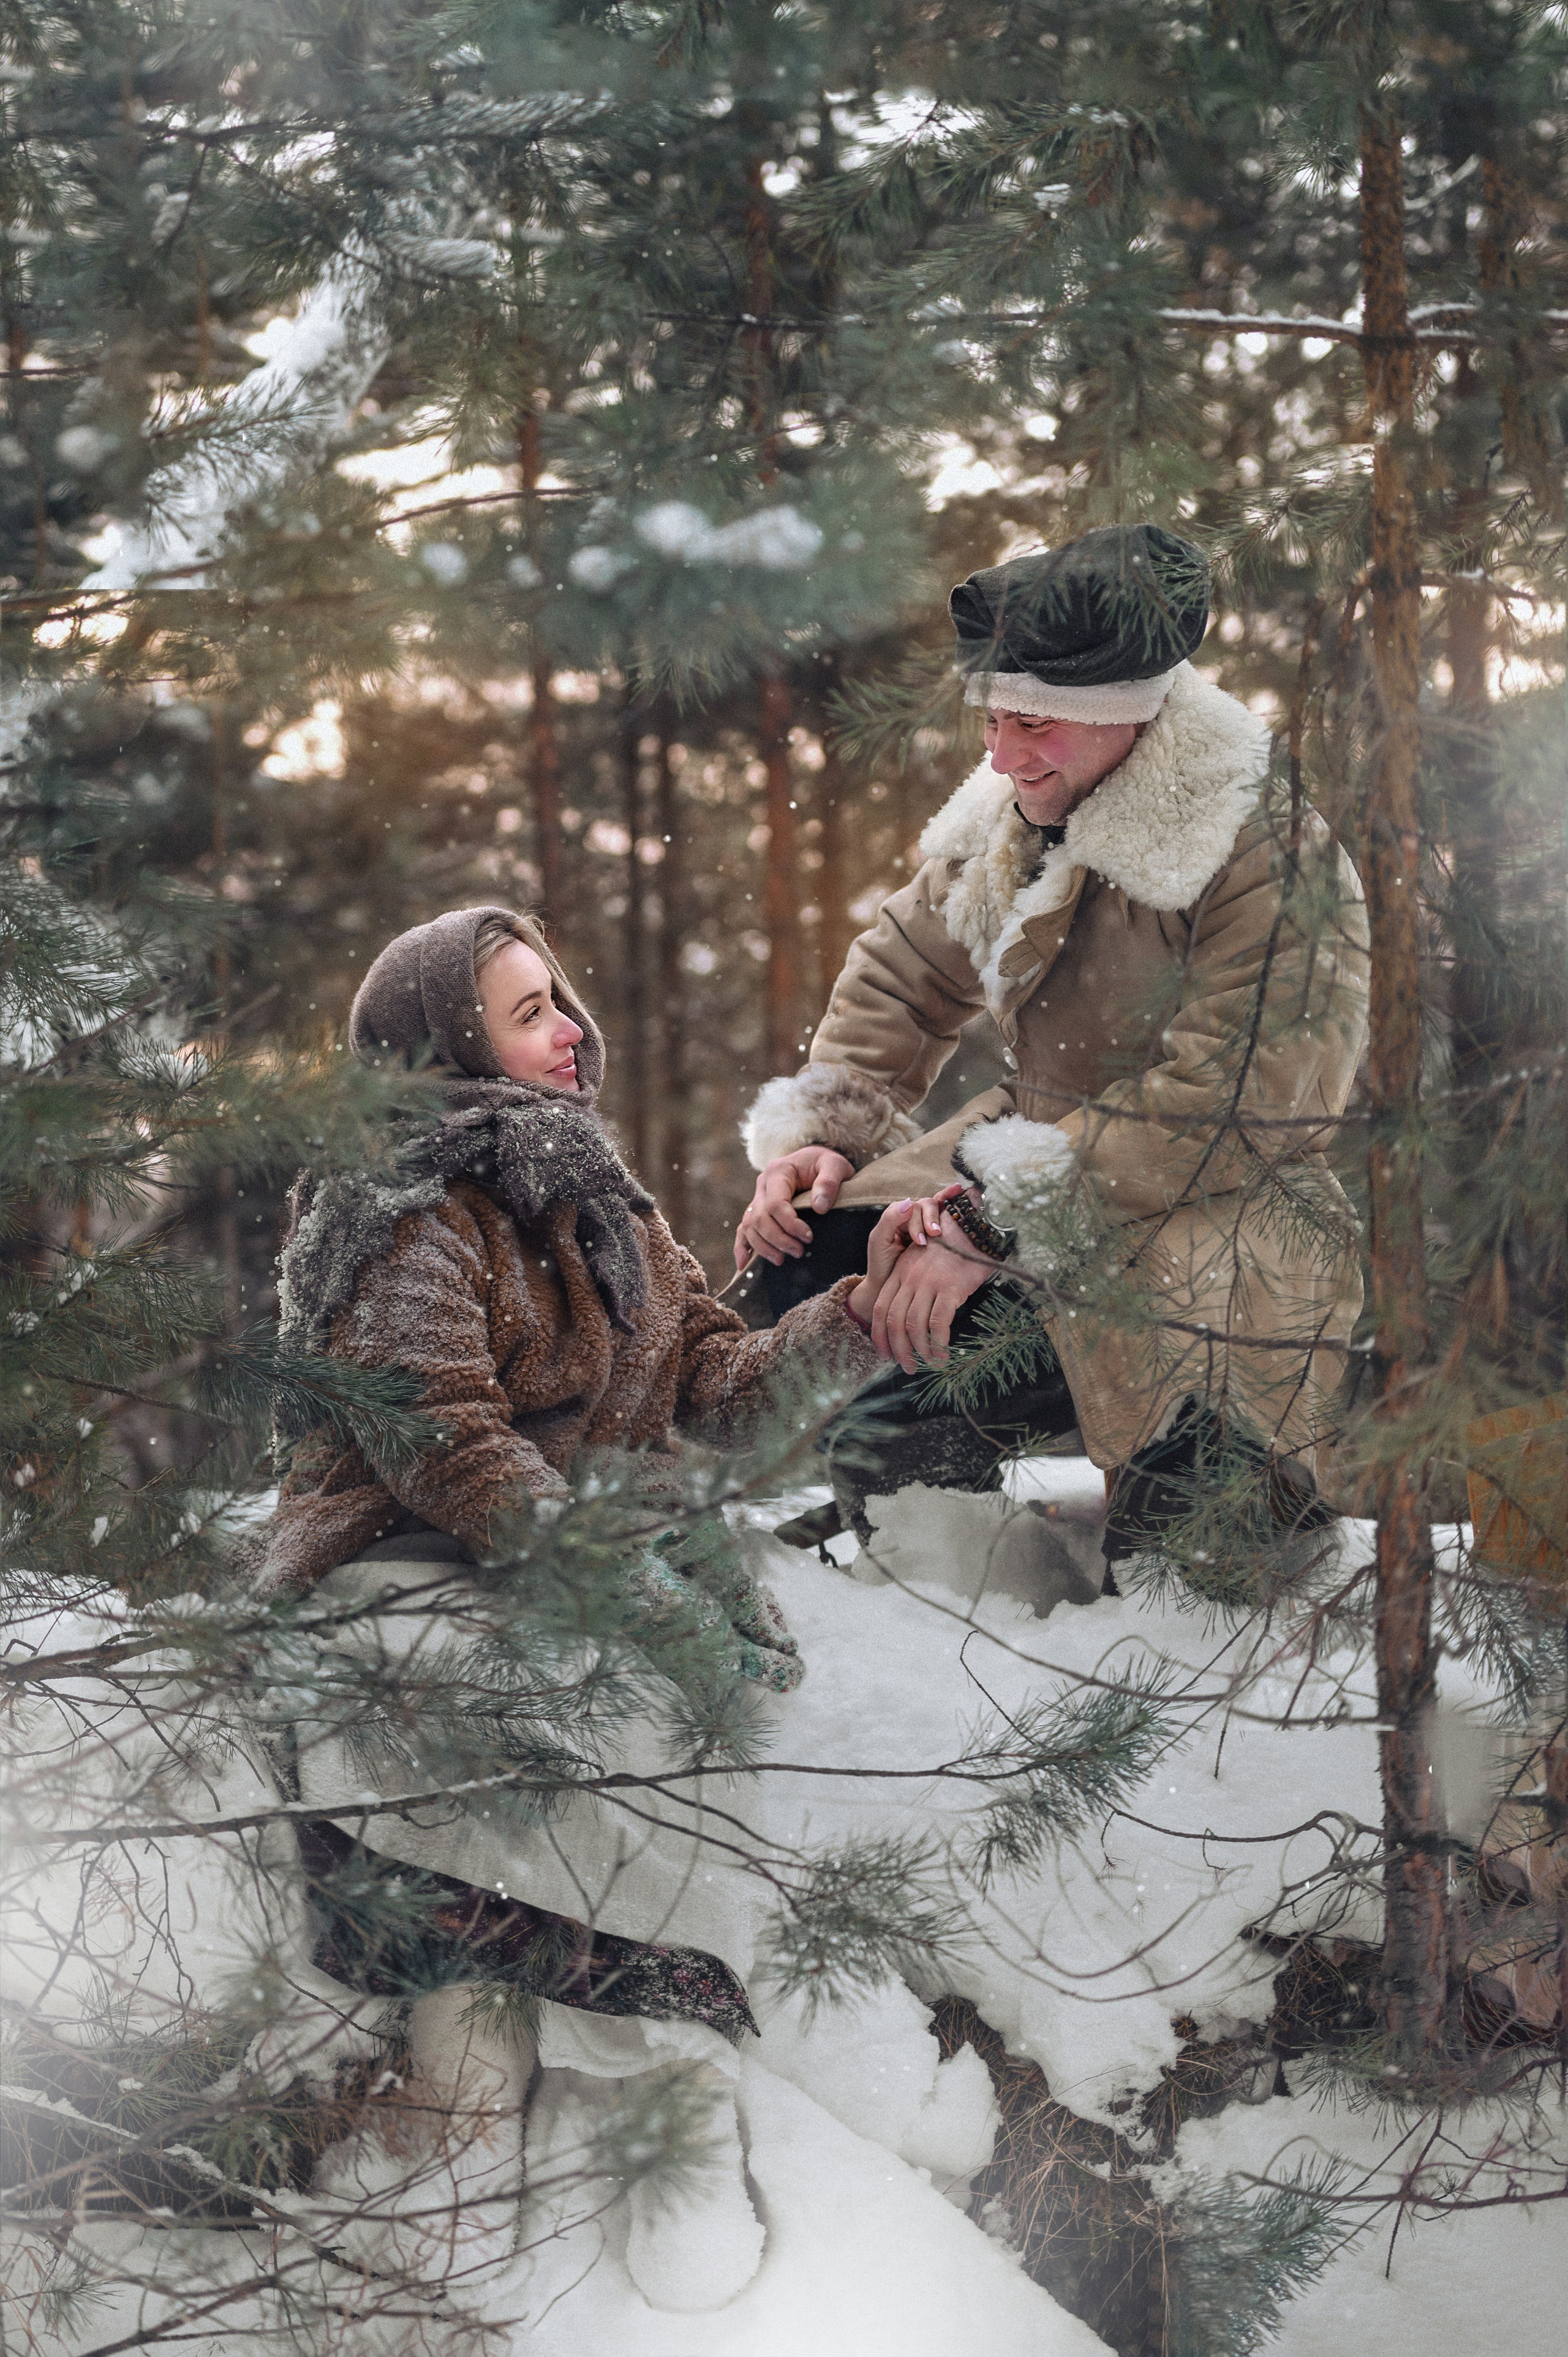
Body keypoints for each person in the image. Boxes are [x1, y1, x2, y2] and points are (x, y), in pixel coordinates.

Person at [258, 904, 899, 2305]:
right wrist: (620, 1583)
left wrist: (858, 1311)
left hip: (569, 1559)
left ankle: (658, 2107)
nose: (567, 1030)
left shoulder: (602, 1199)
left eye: (557, 996)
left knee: (666, 1730)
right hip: (401, 1564)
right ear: (442, 1047)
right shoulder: (396, 1203)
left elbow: (716, 1388)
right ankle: (469, 2118)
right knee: (529, 1720)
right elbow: (445, 1446)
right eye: (524, 1012)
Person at [734, 524, 1371, 1559]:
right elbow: (902, 974)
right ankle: (936, 1517)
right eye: (991, 718)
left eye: (1033, 723)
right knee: (816, 1255)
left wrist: (992, 1220)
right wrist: (825, 1137)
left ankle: (1225, 1495)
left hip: (1214, 1212)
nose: (1000, 755)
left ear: (1130, 712)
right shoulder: (1017, 810)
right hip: (1034, 1161)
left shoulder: (1267, 845)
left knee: (1196, 1572)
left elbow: (1242, 1104)